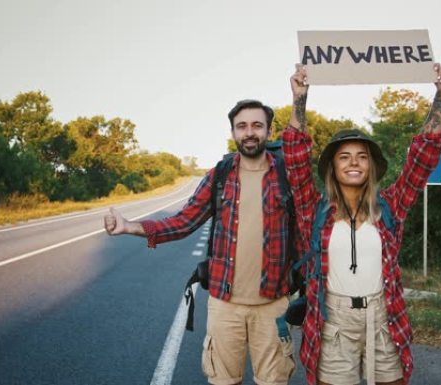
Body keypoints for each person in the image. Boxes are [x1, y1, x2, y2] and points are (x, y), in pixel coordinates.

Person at [104, 99, 297, 385]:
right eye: (242, 126)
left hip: (273, 305)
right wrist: (130, 227)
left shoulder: (287, 174)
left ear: (268, 131)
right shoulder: (220, 175)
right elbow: (184, 221)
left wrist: (299, 99)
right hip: (225, 304)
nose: (249, 132)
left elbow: (301, 152)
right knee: (223, 381)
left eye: (257, 125)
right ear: (233, 132)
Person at [282, 63, 441, 385]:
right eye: (344, 156)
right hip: (333, 320)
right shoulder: (313, 209)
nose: (354, 162)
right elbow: (294, 157)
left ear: (371, 165)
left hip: (383, 315)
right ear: (333, 166)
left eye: (362, 155)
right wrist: (300, 99)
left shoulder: (391, 204)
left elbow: (423, 157)